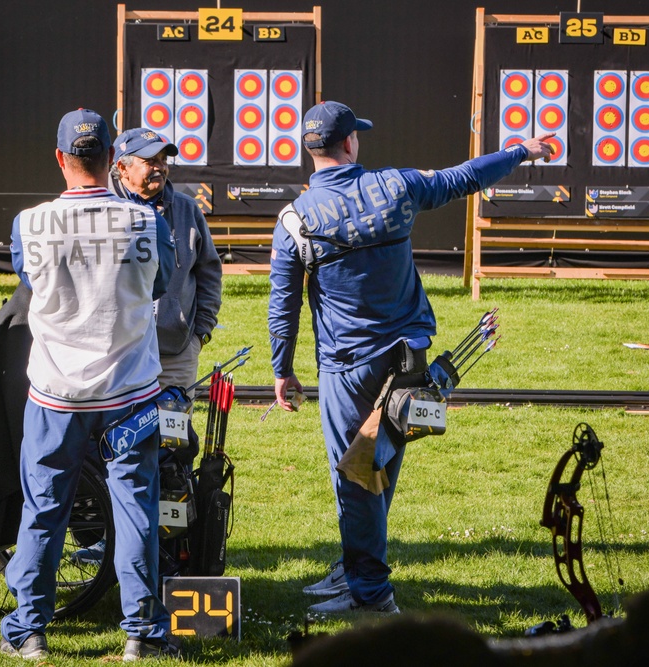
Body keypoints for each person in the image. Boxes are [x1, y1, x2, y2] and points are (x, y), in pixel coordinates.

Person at [268, 101, 553, 614]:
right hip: (408, 359)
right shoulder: (394, 186)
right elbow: (464, 177)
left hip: (348, 365)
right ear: (350, 143)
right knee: (376, 462)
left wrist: (282, 368)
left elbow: (283, 301)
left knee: (356, 472)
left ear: (309, 149)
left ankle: (370, 592)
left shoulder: (294, 219)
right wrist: (520, 151)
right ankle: (357, 566)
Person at [0, 108, 179, 661]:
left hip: (56, 393)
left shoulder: (29, 223)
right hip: (131, 393)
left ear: (61, 159)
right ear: (111, 159)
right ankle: (140, 634)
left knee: (45, 508)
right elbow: (163, 284)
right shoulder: (150, 222)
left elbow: (28, 283)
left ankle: (29, 629)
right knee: (135, 510)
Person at [110, 128, 222, 393]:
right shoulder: (103, 210)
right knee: (120, 431)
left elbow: (209, 271)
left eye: (163, 160)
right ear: (122, 168)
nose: (160, 167)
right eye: (150, 161)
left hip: (175, 351)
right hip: (115, 355)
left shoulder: (187, 209)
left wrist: (200, 333)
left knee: (174, 432)